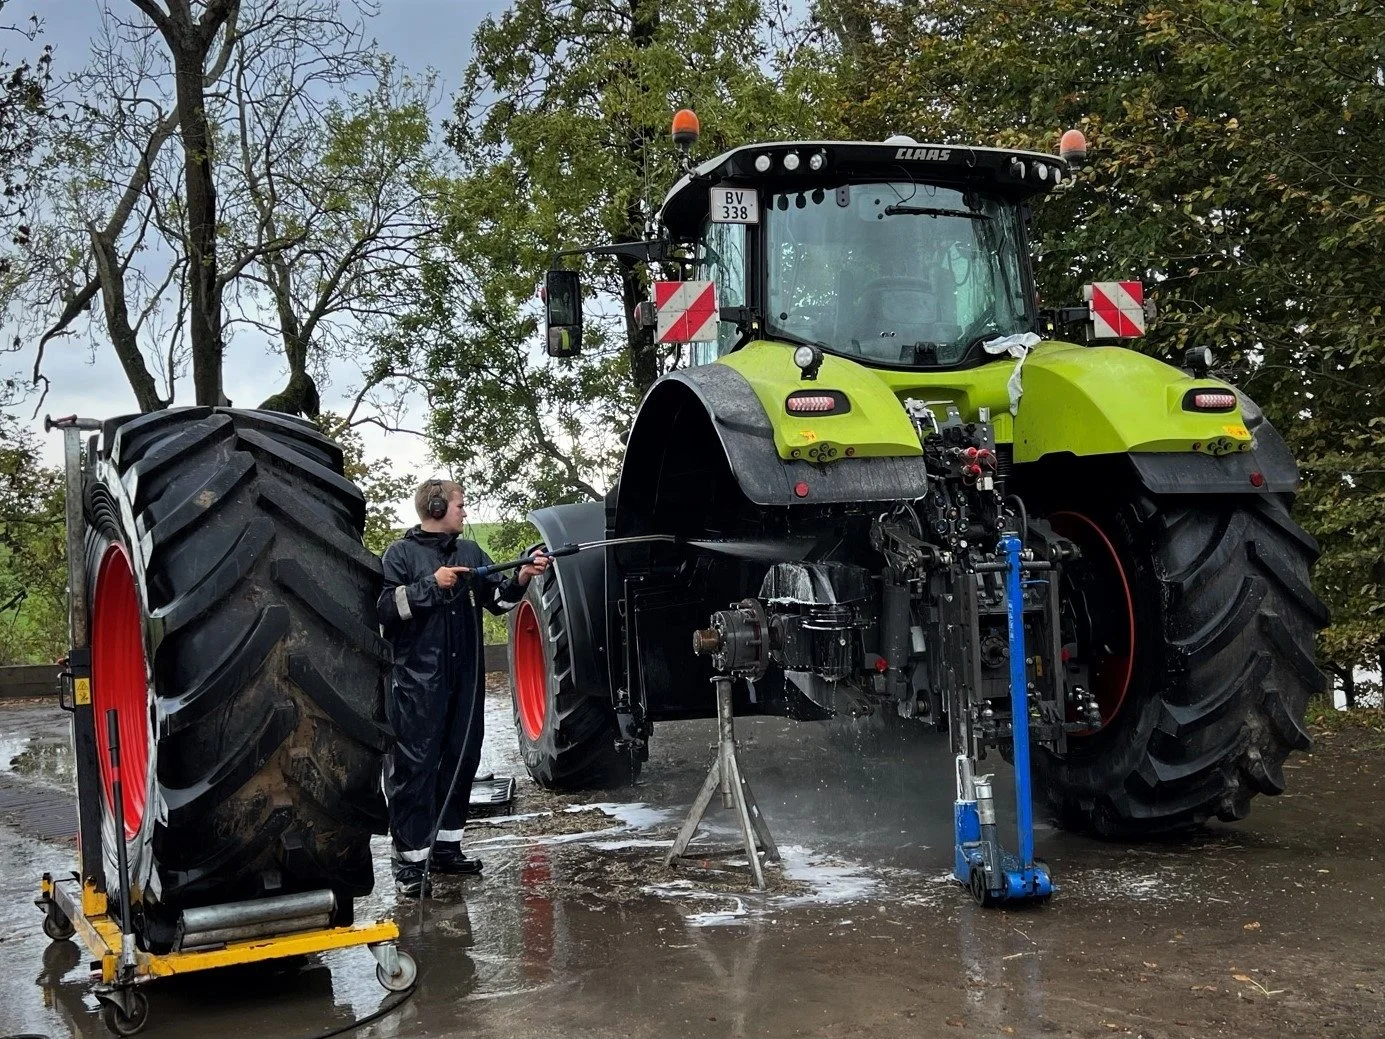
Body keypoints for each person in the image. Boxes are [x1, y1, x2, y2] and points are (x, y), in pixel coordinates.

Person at [376, 478, 549, 898]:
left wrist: (522, 576)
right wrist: (431, 585)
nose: (464, 512)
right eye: (459, 505)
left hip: (465, 683)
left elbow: (500, 601)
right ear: (435, 507)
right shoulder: (399, 555)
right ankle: (412, 864)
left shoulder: (470, 552)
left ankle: (447, 849)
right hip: (419, 685)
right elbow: (384, 609)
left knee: (460, 761)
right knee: (415, 769)